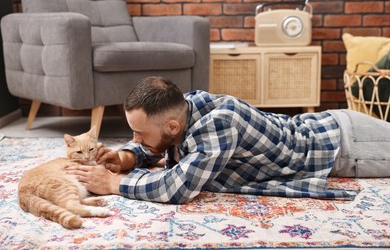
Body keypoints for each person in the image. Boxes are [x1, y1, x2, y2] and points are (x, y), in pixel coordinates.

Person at [66, 76, 390, 204]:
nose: (134, 138)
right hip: (322, 124)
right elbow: (159, 143)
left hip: (351, 144)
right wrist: (129, 158)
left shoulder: (220, 124)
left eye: (139, 134)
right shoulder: (187, 104)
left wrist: (114, 184)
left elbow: (176, 187)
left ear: (173, 127)